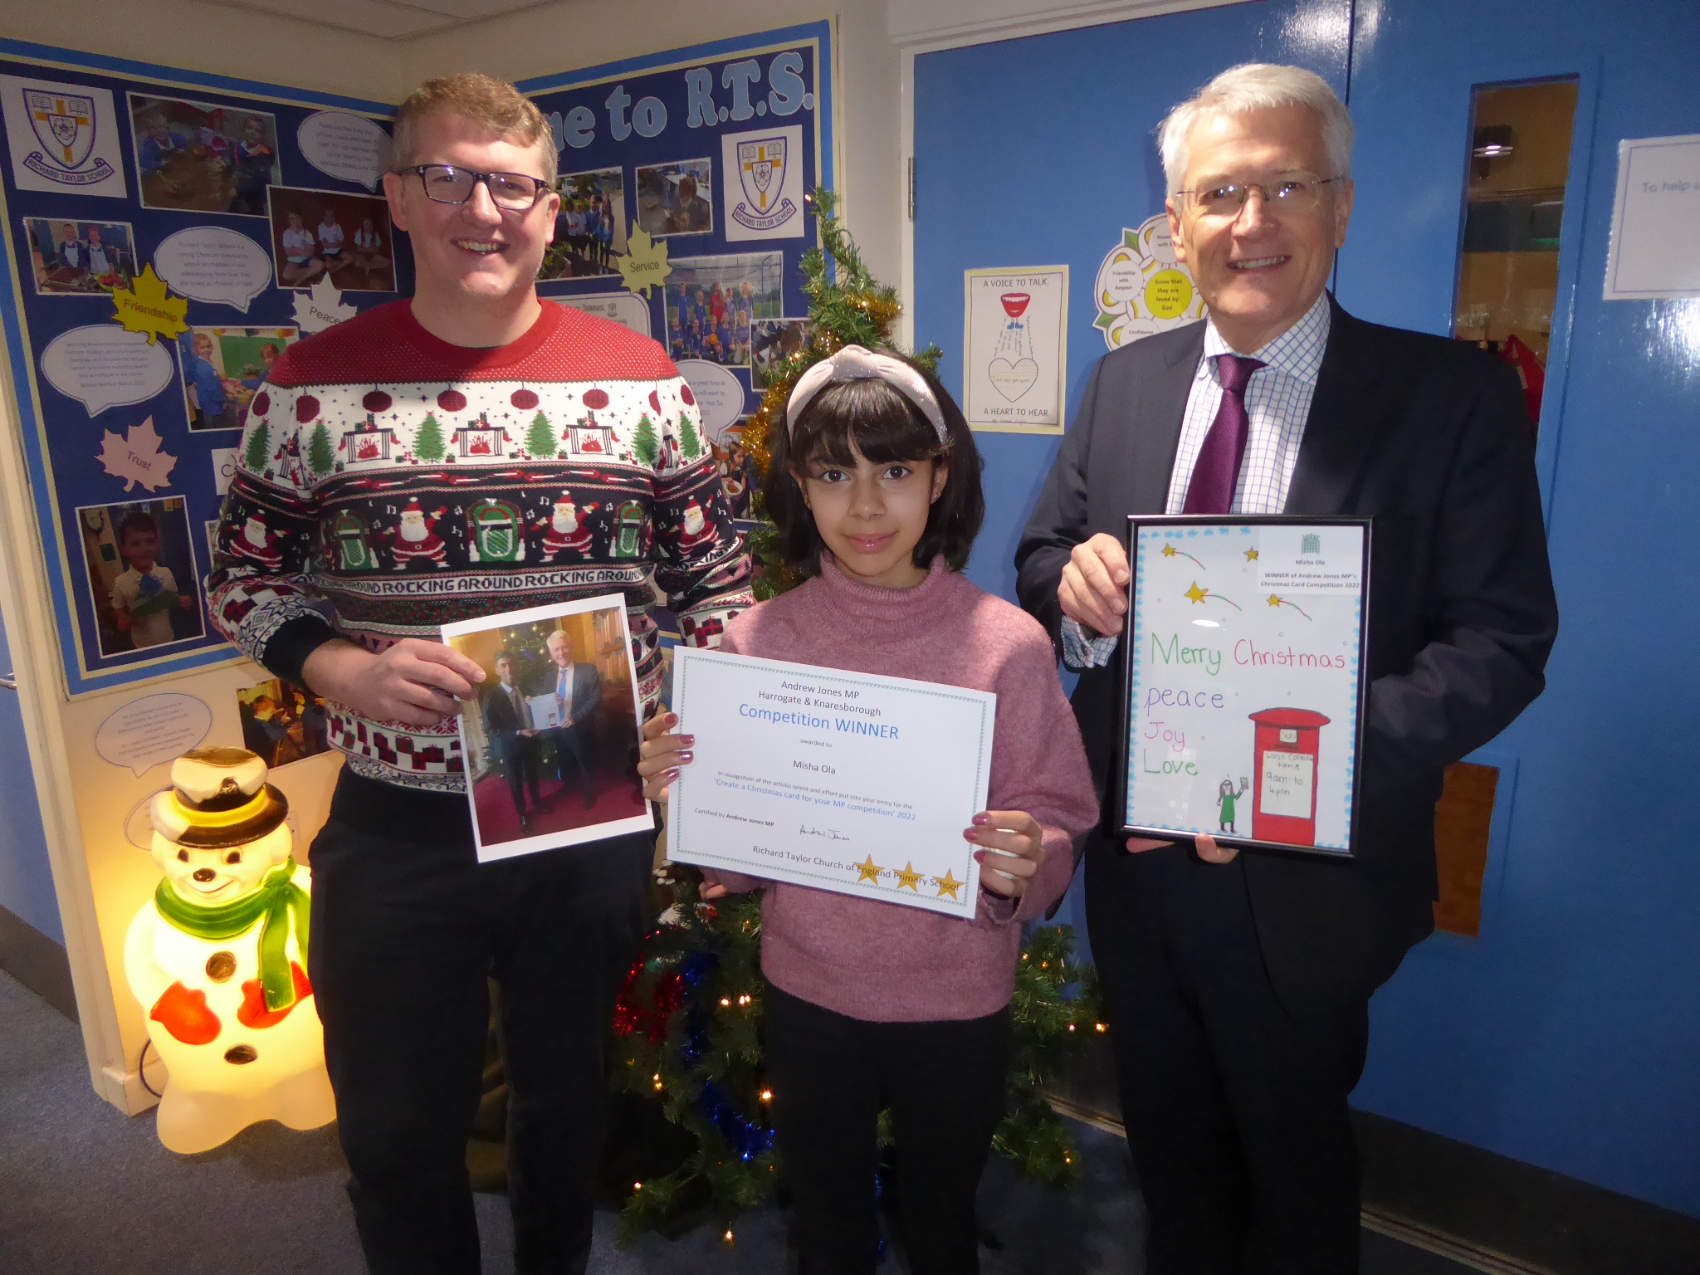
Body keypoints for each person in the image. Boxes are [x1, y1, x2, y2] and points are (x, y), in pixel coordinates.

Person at [1014, 64, 1558, 1274]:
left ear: (1341, 209)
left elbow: (1503, 642)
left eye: (1283, 186)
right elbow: (1040, 554)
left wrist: (1307, 759)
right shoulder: (1123, 382)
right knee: (1167, 1153)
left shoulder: (1448, 398)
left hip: (1306, 880)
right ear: (1176, 226)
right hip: (1141, 867)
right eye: (1218, 194)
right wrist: (1073, 587)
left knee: (1294, 1165)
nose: (1249, 223)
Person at [207, 70, 750, 1275]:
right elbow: (241, 579)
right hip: (396, 831)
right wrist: (335, 667)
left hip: (584, 816)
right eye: (446, 178)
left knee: (565, 1116)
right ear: (399, 198)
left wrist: (685, 725)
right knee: (398, 1132)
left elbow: (718, 584)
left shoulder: (641, 379)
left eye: (510, 185)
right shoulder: (307, 388)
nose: (481, 209)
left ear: (550, 209)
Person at [640, 345, 1099, 1275]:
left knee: (941, 1221)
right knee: (828, 1224)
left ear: (940, 478)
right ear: (800, 489)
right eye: (833, 473)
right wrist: (681, 791)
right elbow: (736, 848)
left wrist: (1031, 855)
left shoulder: (1005, 645)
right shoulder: (756, 642)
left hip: (958, 997)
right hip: (812, 993)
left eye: (894, 470)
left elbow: (1058, 809)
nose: (864, 505)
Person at [111, 509, 190, 649]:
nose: (144, 548)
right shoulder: (120, 582)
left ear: (157, 544)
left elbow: (173, 601)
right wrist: (130, 615)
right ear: (123, 550)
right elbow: (121, 623)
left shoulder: (166, 573)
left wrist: (182, 601)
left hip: (169, 638)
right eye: (135, 543)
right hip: (141, 646)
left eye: (150, 541)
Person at [481, 651, 542, 831]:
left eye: (511, 664)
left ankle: (538, 804)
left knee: (533, 776)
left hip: (531, 741)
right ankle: (522, 814)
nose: (509, 669)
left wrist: (537, 710)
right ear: (497, 670)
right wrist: (517, 732)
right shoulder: (491, 696)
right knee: (515, 782)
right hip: (510, 746)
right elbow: (490, 729)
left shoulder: (525, 688)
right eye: (503, 665)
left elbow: (536, 711)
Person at [540, 629, 600, 809]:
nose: (561, 653)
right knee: (565, 759)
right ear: (551, 654)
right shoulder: (549, 676)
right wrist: (547, 701)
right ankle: (569, 786)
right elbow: (544, 699)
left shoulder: (588, 670)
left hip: (579, 725)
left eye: (564, 647)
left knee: (584, 760)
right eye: (556, 649)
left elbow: (595, 698)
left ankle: (590, 793)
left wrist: (575, 718)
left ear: (570, 648)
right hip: (558, 727)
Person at [184, 331, 229, 429]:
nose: (206, 350)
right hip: (212, 403)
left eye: (208, 346)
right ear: (196, 349)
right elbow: (212, 388)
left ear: (212, 347)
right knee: (213, 425)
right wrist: (223, 400)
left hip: (211, 401)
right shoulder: (203, 366)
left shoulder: (207, 363)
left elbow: (213, 381)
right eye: (202, 347)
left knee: (212, 423)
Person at [278, 210, 323, 286]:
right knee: (286, 275)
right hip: (294, 261)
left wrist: (296, 249)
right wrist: (303, 250)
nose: (292, 221)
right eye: (290, 218)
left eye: (294, 218)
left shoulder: (307, 233)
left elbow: (310, 252)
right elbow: (289, 252)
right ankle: (311, 274)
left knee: (320, 264)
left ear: (300, 219)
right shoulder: (287, 233)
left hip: (306, 260)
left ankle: (302, 278)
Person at [317, 208, 351, 275]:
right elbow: (325, 245)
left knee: (350, 258)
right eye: (327, 216)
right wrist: (336, 243)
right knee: (328, 265)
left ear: (334, 217)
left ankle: (334, 270)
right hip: (327, 252)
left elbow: (342, 243)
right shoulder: (320, 227)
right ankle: (336, 264)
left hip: (338, 251)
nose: (329, 218)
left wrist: (332, 244)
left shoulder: (338, 226)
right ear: (323, 217)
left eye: (331, 216)